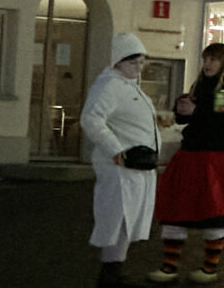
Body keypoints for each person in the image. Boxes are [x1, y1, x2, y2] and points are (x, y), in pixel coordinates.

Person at [150, 42, 224, 283]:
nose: (207, 64)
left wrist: (196, 111)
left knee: (214, 212)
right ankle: (169, 267)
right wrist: (180, 110)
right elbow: (188, 119)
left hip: (216, 159)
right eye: (206, 59)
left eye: (213, 59)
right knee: (176, 209)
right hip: (190, 155)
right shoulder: (199, 86)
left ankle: (209, 269)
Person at [79, 32, 167, 287]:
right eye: (133, 61)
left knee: (126, 221)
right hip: (121, 170)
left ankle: (114, 271)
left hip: (136, 168)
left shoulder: (129, 87)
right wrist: (115, 151)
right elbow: (91, 119)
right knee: (119, 220)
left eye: (141, 62)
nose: (138, 67)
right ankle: (109, 275)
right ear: (118, 61)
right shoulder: (110, 86)